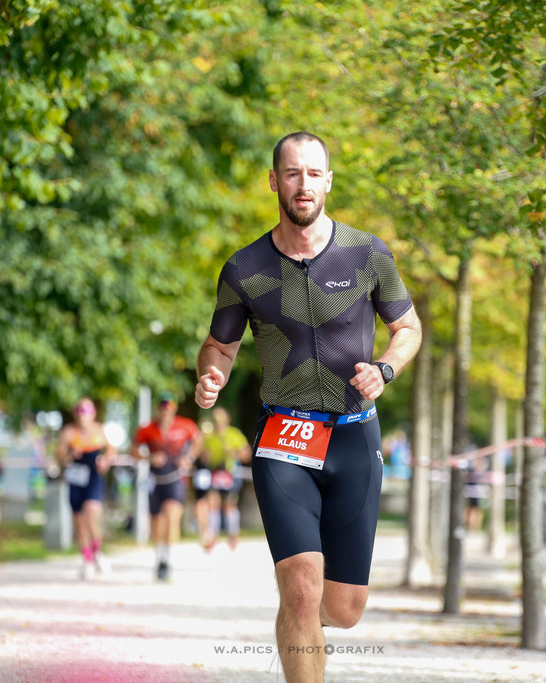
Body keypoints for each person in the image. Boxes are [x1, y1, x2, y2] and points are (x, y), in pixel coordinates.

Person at [194, 131, 423, 681]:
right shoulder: (244, 267)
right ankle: (298, 615)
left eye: (314, 173)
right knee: (300, 584)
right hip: (284, 437)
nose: (304, 184)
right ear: (275, 181)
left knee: (342, 609)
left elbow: (408, 328)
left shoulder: (367, 253)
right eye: (292, 173)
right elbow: (220, 345)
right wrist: (211, 374)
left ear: (328, 181)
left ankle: (302, 619)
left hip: (352, 434)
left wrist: (385, 367)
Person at [134, 392, 202, 581]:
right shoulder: (147, 429)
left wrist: (188, 458)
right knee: (156, 523)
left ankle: (168, 560)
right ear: (158, 409)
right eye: (163, 407)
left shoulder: (185, 425)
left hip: (175, 478)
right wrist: (149, 457)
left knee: (172, 517)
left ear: (175, 409)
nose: (166, 411)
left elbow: (198, 442)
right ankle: (160, 559)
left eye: (170, 408)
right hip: (155, 480)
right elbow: (133, 450)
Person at [56, 397, 117, 580]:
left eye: (86, 411)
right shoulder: (69, 433)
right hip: (76, 478)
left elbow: (112, 450)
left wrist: (106, 460)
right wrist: (68, 455)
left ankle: (98, 552)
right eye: (79, 411)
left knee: (92, 517)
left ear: (93, 414)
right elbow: (59, 455)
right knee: (79, 522)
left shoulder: (99, 431)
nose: (83, 415)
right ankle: (87, 560)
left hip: (93, 477)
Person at [198, 407, 252, 550]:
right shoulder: (209, 437)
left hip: (231, 474)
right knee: (212, 503)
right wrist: (205, 457)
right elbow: (203, 456)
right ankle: (212, 535)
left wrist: (234, 452)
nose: (217, 423)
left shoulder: (234, 434)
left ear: (227, 420)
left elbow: (247, 455)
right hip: (216, 473)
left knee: (229, 505)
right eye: (215, 420)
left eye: (220, 419)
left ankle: (233, 535)